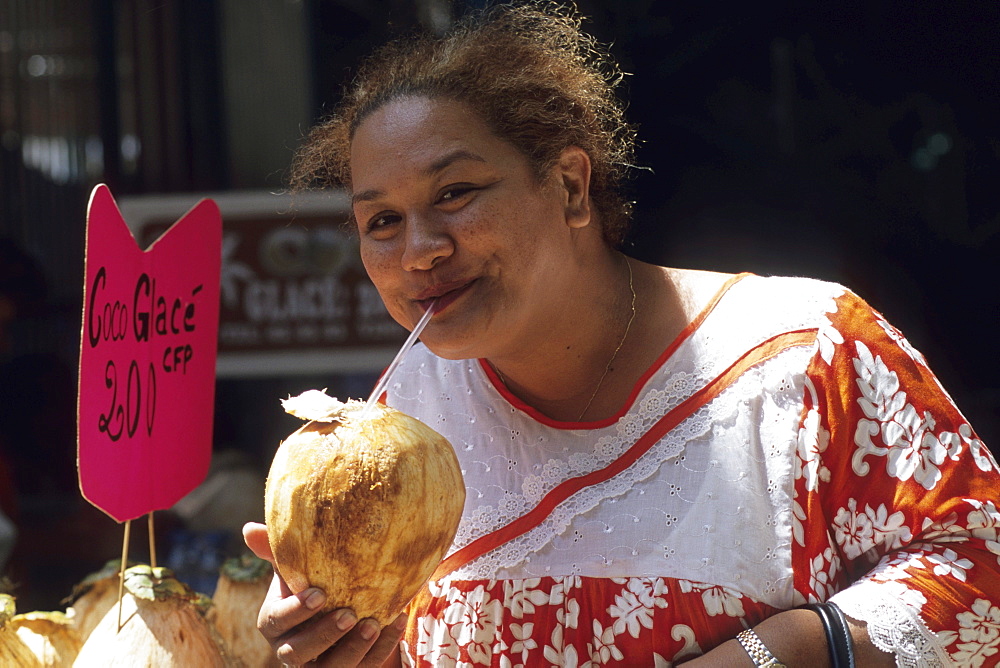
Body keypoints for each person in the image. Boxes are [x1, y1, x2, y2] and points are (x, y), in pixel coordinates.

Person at [243, 3, 1000, 666]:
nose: (419, 252)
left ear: (570, 186)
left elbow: (981, 569)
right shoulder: (401, 425)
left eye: (456, 193)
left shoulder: (806, 356)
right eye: (382, 222)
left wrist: (784, 651)